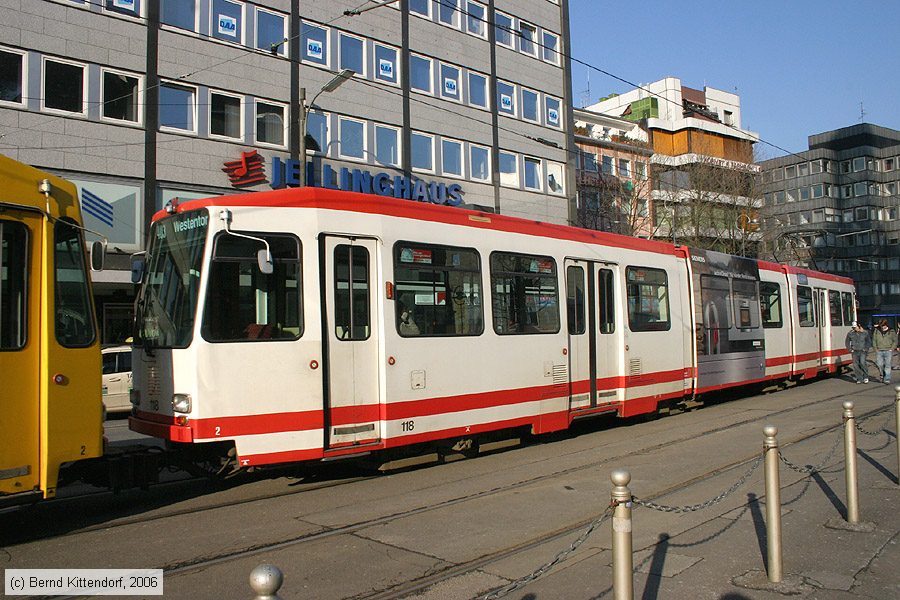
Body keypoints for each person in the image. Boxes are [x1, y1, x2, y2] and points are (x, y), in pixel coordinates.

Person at [871, 319, 897, 384]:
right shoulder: (877, 331)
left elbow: (895, 341)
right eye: (881, 326)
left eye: (883, 326)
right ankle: (882, 375)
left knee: (888, 365)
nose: (882, 327)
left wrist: (892, 348)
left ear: (886, 325)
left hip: (888, 350)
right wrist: (875, 348)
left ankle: (887, 378)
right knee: (879, 364)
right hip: (879, 350)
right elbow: (874, 340)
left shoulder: (891, 331)